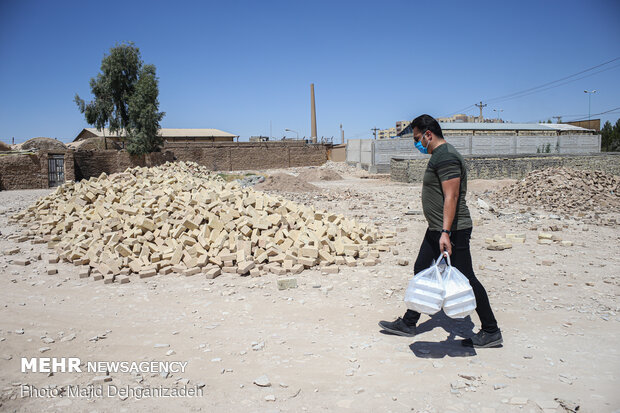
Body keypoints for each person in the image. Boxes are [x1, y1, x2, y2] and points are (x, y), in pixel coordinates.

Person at [379, 114, 502, 348]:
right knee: (421, 268)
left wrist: (446, 231)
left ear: (428, 134)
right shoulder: (438, 155)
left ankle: (491, 330)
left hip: (453, 229)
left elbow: (452, 195)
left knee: (467, 278)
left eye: (417, 138)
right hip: (437, 228)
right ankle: (409, 322)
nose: (416, 143)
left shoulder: (446, 156)